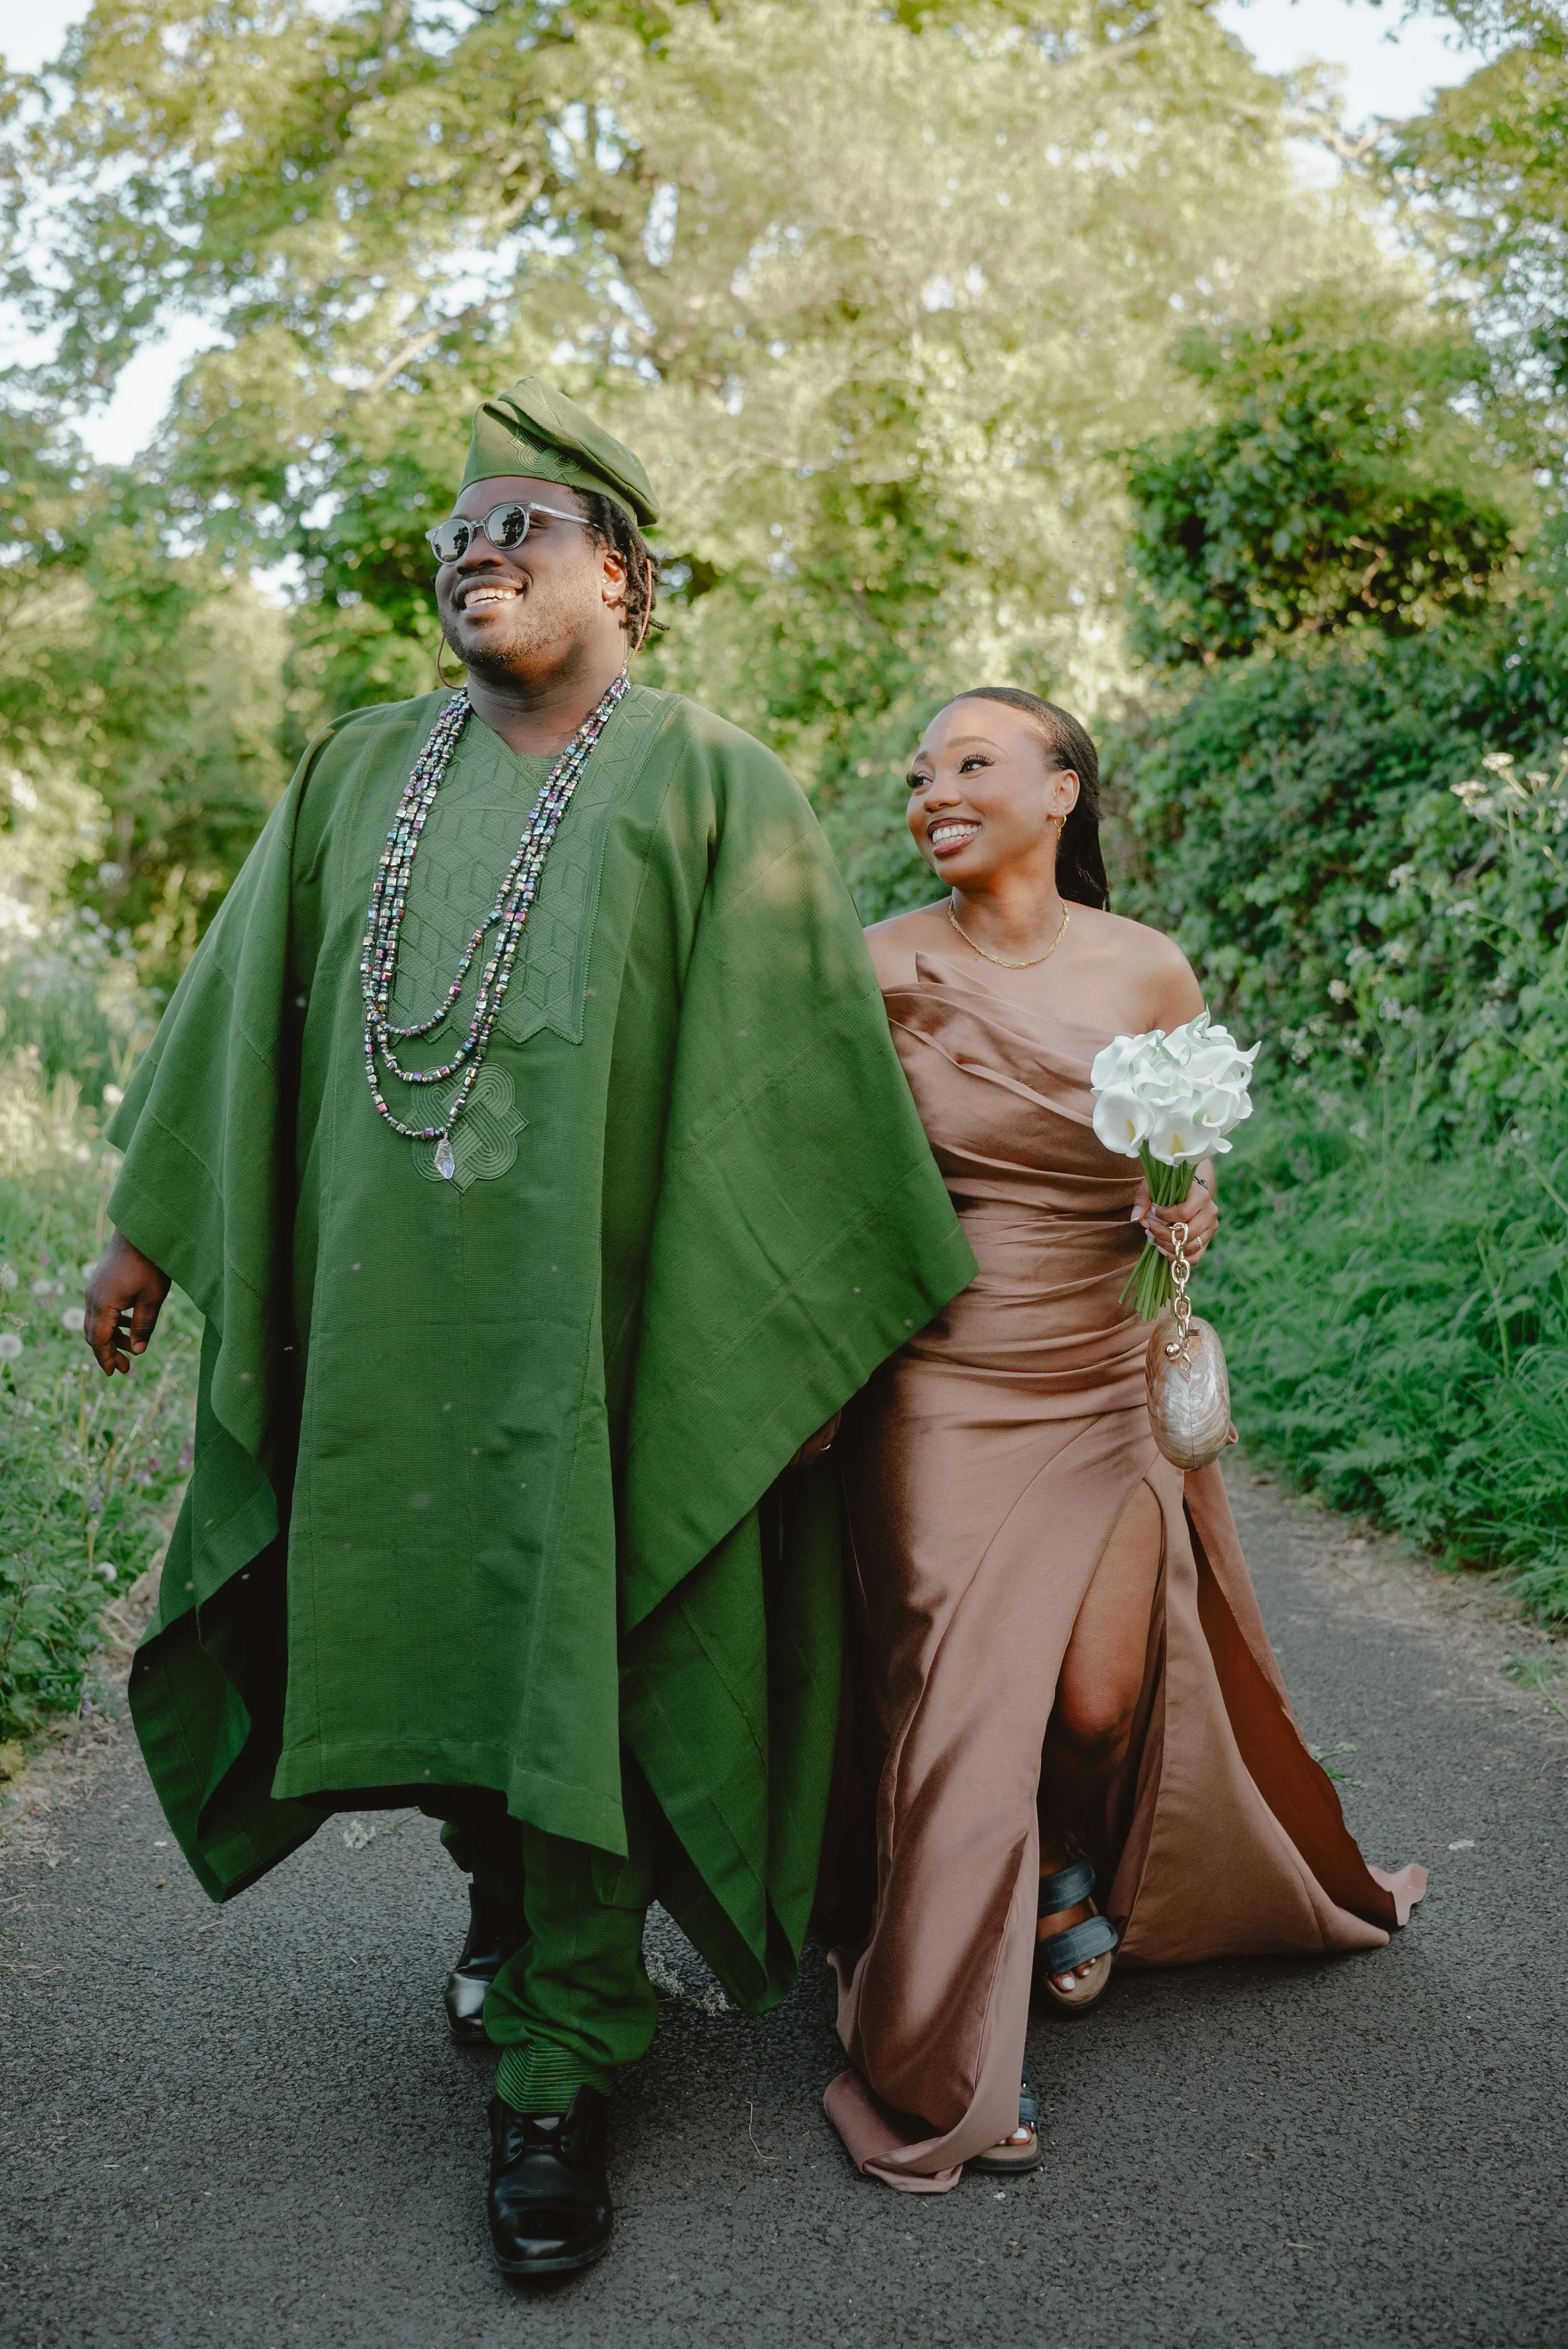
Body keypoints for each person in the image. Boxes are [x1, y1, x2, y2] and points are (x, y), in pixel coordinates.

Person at [83, 379, 976, 2276]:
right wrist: (146, 1239)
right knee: (420, 1616)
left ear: (625, 580)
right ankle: (500, 1897)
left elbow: (794, 1087)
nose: (473, 556)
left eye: (520, 531)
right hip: (387, 1318)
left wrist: (794, 1336)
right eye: (450, 542)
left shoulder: (714, 779)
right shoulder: (352, 767)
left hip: (606, 1327)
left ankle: (560, 2065)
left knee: (577, 1628)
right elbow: (240, 1002)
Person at [822, 686, 1426, 2191]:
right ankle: (940, 2059)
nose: (931, 791)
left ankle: (1064, 1863)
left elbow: (1185, 1146)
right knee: (961, 1706)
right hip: (941, 1377)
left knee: (1091, 1700)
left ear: (1061, 792)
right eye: (918, 775)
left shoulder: (1147, 968)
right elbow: (812, 1173)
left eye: (970, 763)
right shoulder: (875, 964)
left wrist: (1185, 1206)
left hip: (1098, 1371)